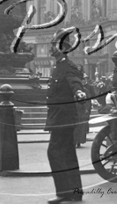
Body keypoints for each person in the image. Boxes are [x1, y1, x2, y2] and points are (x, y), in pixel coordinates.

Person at [45, 29, 84, 203]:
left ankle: (65, 192)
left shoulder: (68, 66)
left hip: (64, 117)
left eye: (54, 45)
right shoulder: (58, 66)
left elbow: (75, 82)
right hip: (59, 117)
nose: (51, 48)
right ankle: (74, 193)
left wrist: (79, 93)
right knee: (67, 153)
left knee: (55, 152)